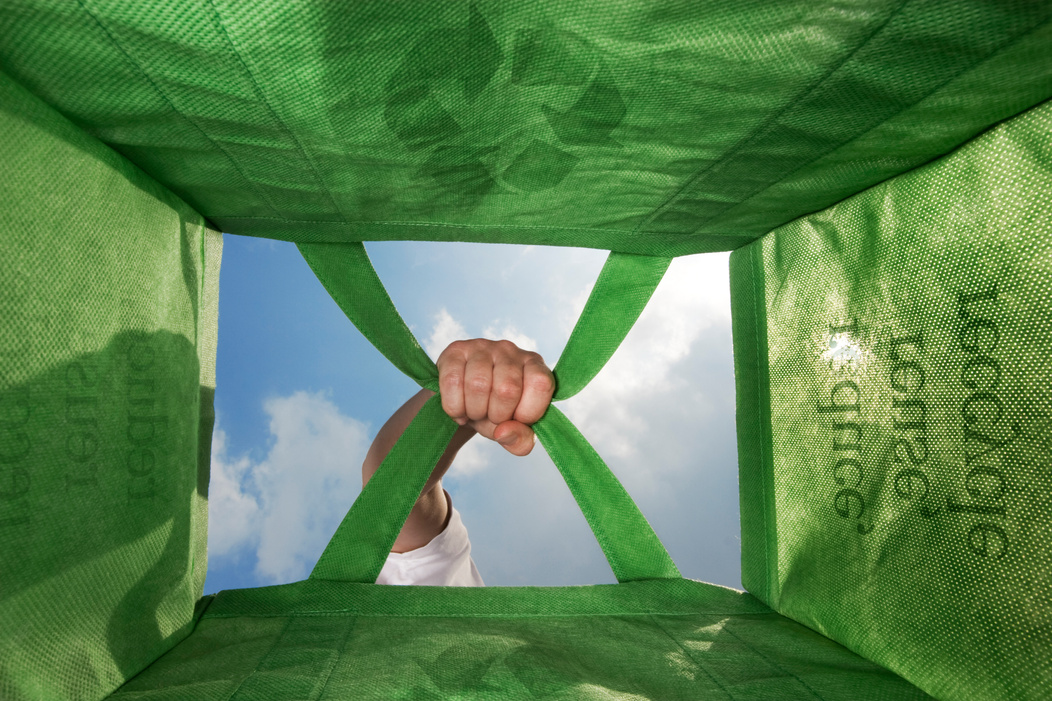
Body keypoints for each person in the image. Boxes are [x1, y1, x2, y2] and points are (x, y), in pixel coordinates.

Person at [361, 338, 555, 586]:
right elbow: (388, 498)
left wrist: (457, 401)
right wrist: (460, 399)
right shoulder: (457, 610)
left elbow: (386, 499)